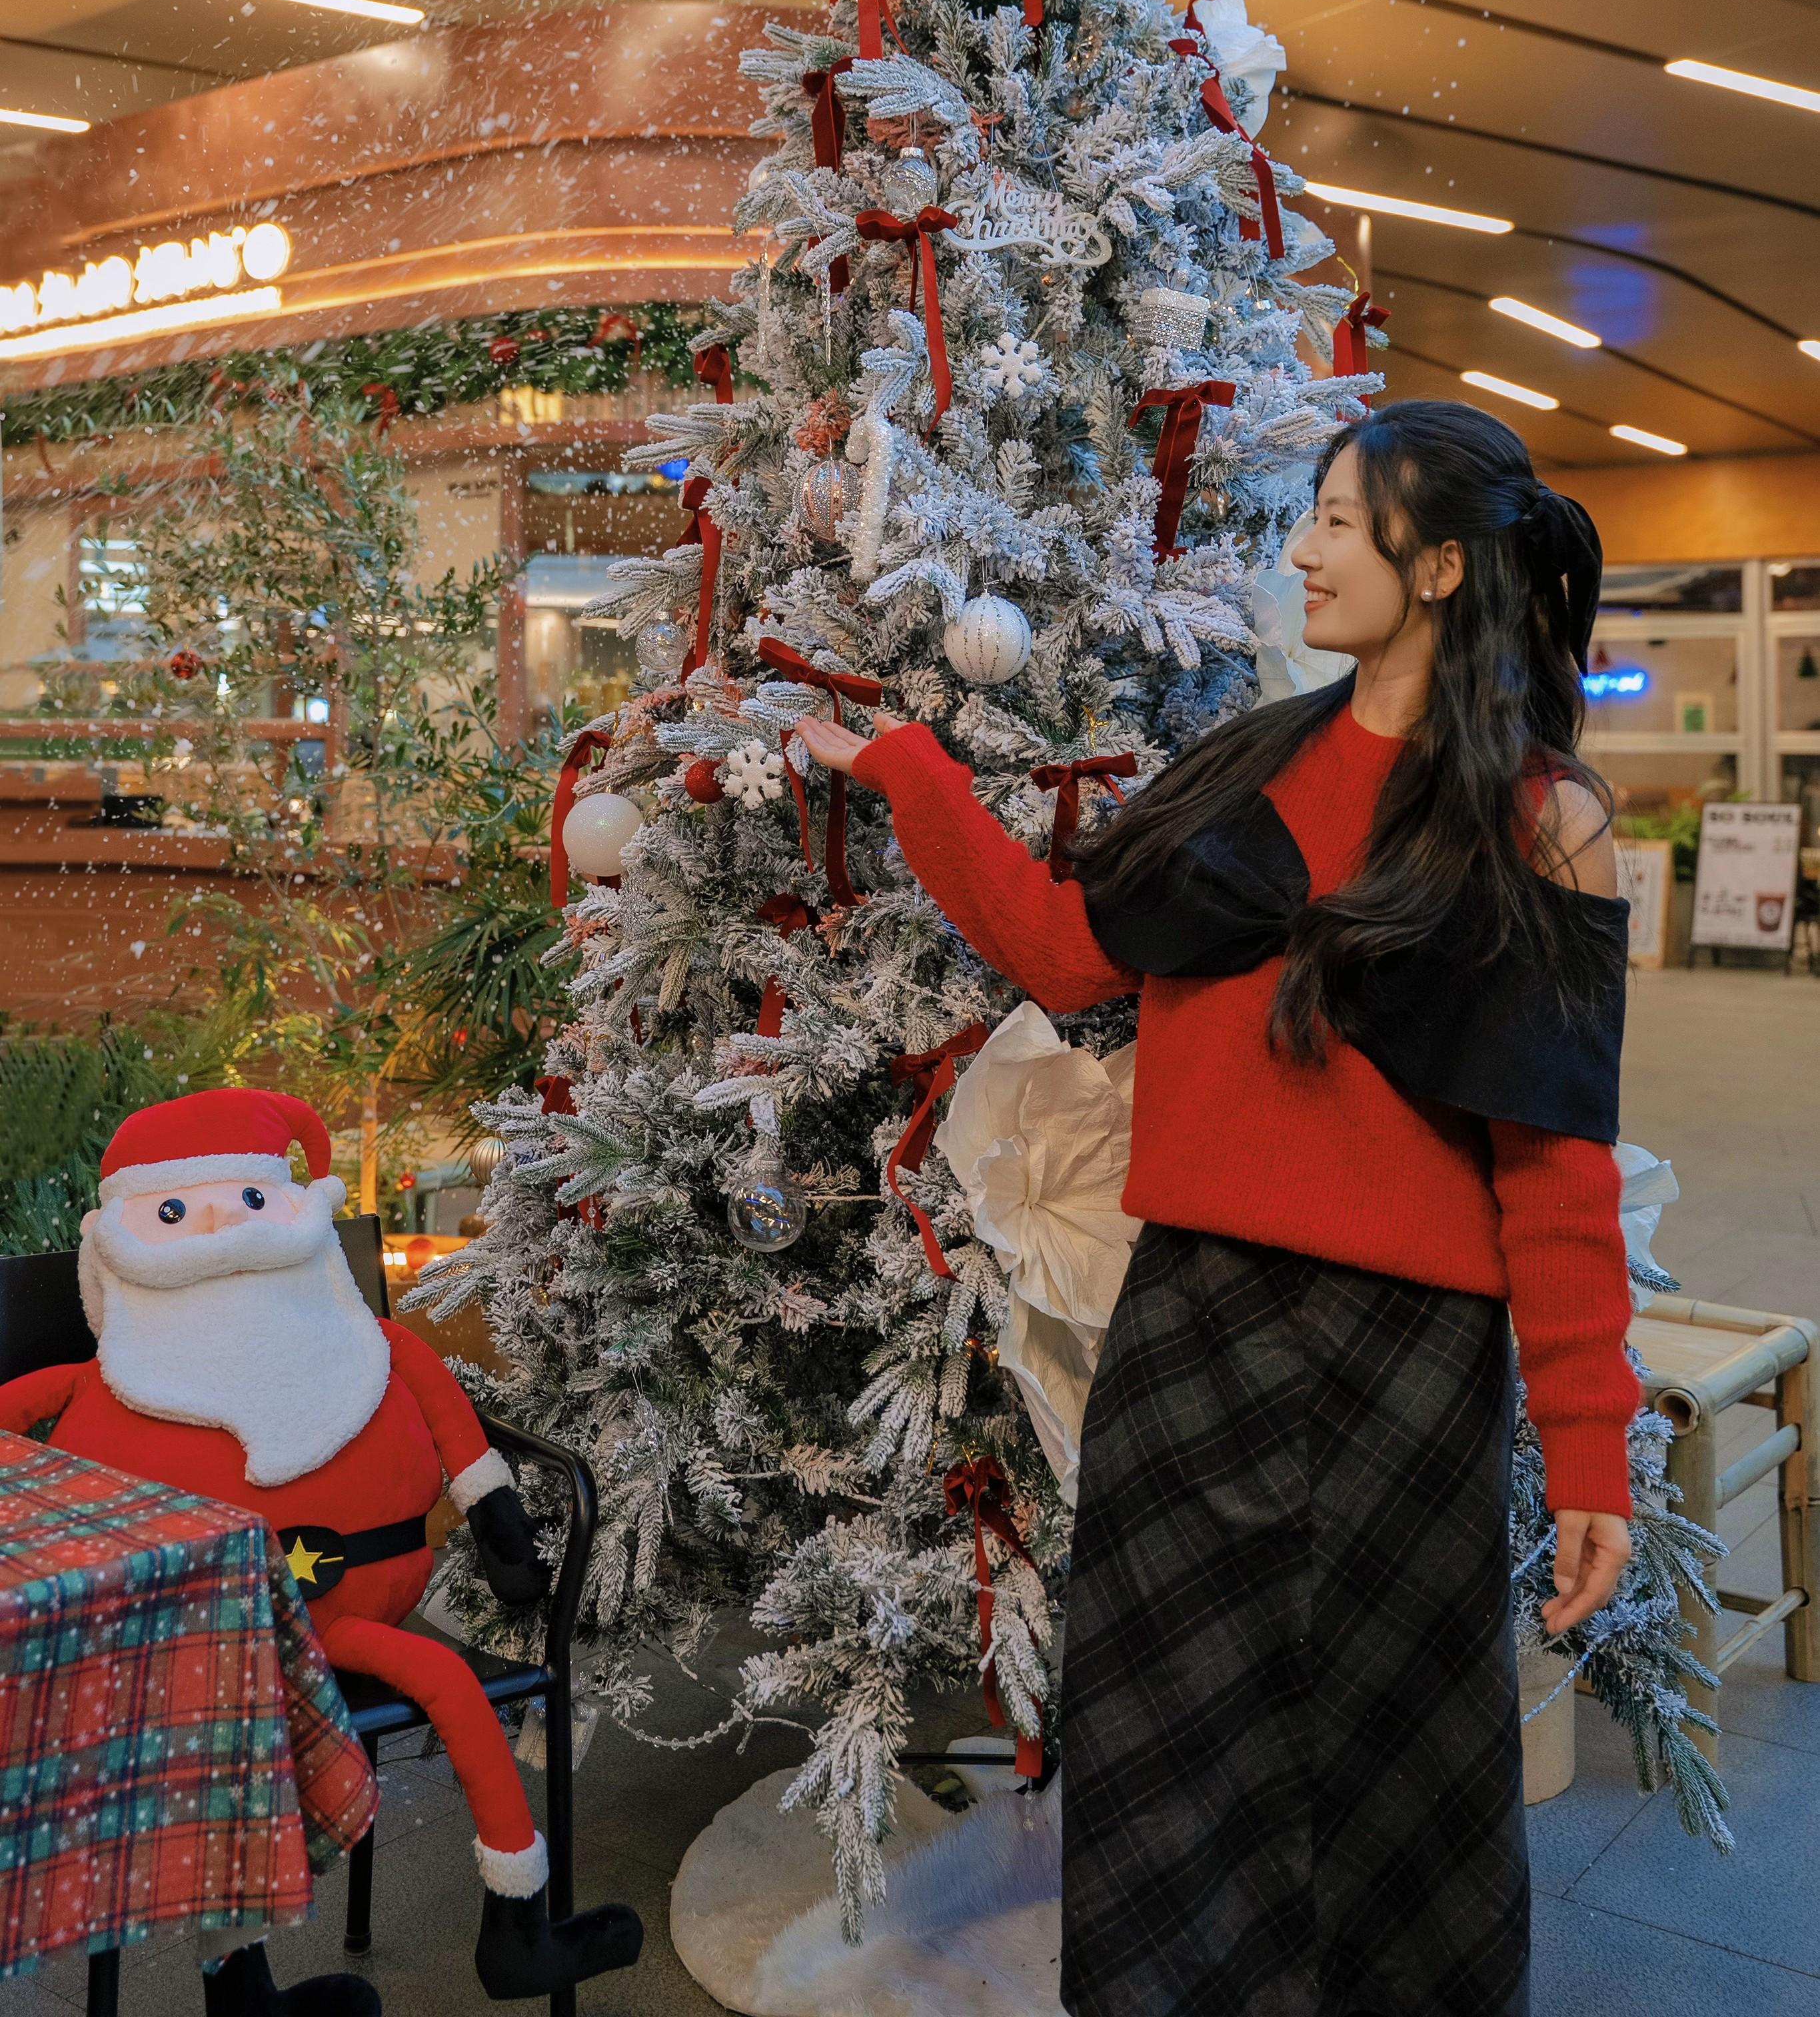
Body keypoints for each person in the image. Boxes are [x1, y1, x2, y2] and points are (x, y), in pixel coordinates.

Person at [796, 399, 1637, 2017]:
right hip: (1193, 1328)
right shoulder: (1248, 769)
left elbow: (1553, 1165)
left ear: (1439, 566)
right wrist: (905, 767)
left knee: (1398, 1757)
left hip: (1409, 1365)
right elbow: (1062, 951)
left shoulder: (1543, 824)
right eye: (1310, 514)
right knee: (1171, 1748)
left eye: (1341, 520)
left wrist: (1587, 1444)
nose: (1302, 549)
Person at [0, 1089, 643, 2011]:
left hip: (352, 1613)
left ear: (291, 1207)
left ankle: (520, 1930)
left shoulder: (363, 1341)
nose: (222, 1227)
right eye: (174, 1213)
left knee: (449, 1681)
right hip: (197, 1640)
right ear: (121, 1238)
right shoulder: (112, 1373)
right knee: (220, 1758)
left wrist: (497, 1520)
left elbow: (451, 1421)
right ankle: (243, 1993)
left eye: (248, 1200)